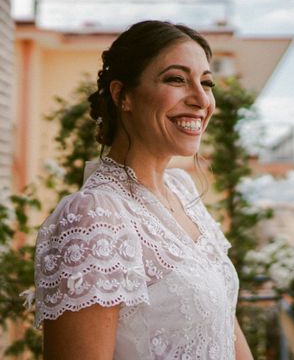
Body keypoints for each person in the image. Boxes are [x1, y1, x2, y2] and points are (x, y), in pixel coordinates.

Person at [33, 20, 254, 359]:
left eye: (206, 82)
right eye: (176, 79)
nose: (200, 98)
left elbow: (225, 322)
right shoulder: (94, 216)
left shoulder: (182, 189)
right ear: (123, 95)